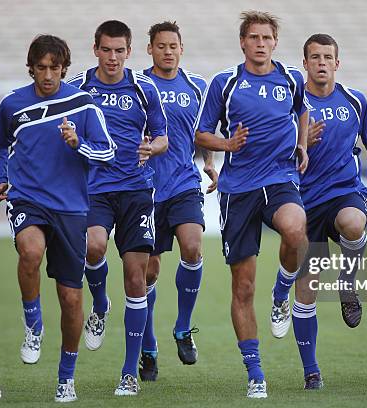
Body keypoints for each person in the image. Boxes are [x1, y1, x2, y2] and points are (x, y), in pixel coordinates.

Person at [0, 34, 116, 402]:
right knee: (29, 251)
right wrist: (0, 179)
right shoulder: (13, 103)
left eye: (54, 68)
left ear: (64, 69)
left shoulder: (83, 104)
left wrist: (79, 144)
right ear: (31, 68)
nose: (47, 75)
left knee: (71, 299)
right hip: (27, 197)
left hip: (72, 207)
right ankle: (33, 324)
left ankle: (66, 377)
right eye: (41, 68)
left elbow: (107, 151)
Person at [195, 10, 309, 398]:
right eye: (254, 38)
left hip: (280, 179)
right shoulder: (224, 84)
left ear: (275, 42)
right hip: (238, 189)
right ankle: (255, 372)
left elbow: (303, 111)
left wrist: (302, 145)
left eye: (267, 38)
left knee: (296, 229)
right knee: (242, 287)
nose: (261, 44)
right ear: (242, 42)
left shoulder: (292, 78)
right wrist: (226, 145)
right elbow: (202, 133)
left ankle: (282, 291)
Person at [67, 20, 168, 396]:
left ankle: (128, 371)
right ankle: (101, 303)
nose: (112, 57)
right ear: (95, 49)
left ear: (129, 52)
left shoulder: (144, 89)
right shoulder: (77, 88)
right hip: (93, 190)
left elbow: (163, 137)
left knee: (136, 277)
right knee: (93, 247)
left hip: (137, 191)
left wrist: (152, 148)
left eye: (119, 50)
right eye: (106, 50)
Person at [293, 33, 367, 390]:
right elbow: (275, 150)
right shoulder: (291, 101)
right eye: (314, 57)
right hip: (301, 201)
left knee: (354, 223)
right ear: (304, 63)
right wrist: (301, 143)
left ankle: (348, 282)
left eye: (327, 57)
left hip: (342, 192)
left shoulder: (354, 100)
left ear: (337, 63)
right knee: (307, 288)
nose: (321, 62)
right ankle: (311, 370)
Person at [139, 20, 216, 381]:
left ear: (181, 49)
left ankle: (183, 328)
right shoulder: (136, 87)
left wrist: (212, 164)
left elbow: (204, 133)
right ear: (150, 49)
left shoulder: (197, 87)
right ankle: (148, 345)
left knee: (193, 246)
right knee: (148, 271)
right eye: (161, 46)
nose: (167, 51)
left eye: (173, 46)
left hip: (184, 183)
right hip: (144, 189)